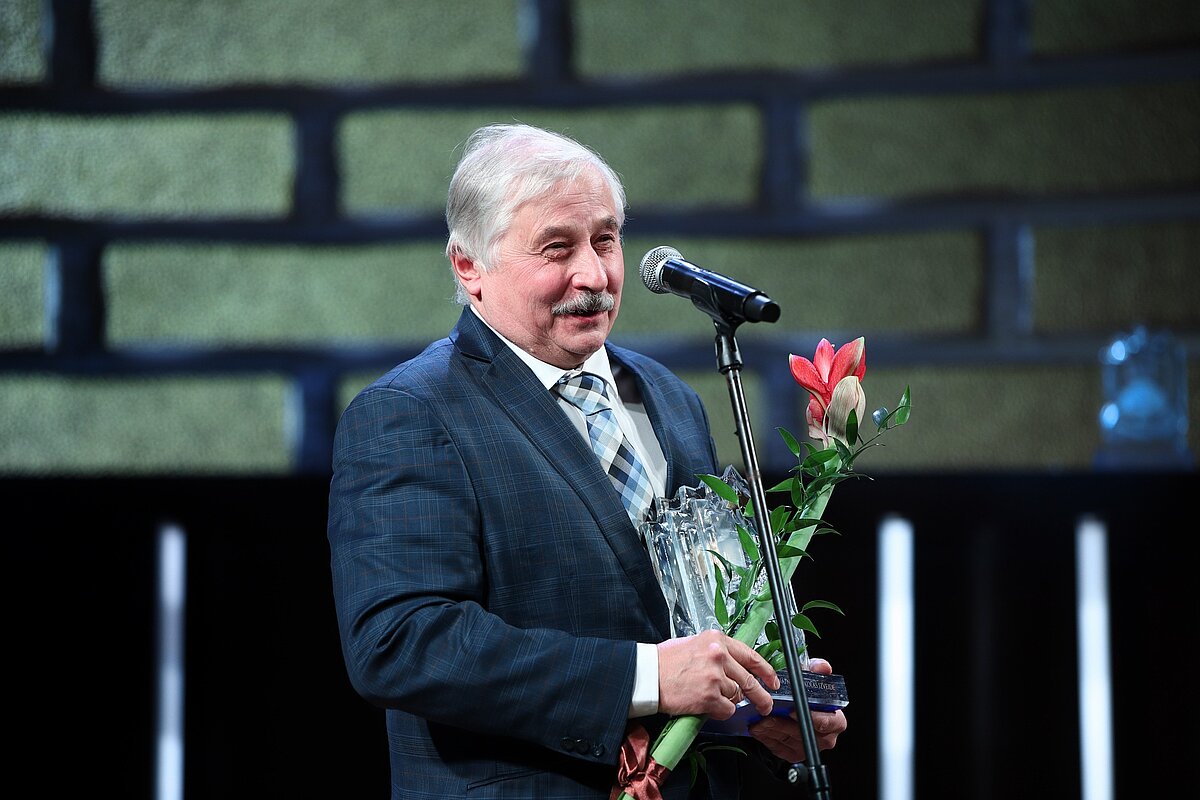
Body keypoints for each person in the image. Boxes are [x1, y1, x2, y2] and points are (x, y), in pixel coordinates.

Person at [327, 122, 846, 799]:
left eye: (606, 239)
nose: (594, 274)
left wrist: (762, 705)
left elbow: (696, 619)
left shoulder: (669, 398)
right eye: (557, 248)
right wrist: (649, 678)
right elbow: (401, 643)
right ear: (468, 265)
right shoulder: (411, 411)